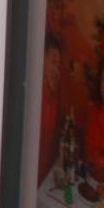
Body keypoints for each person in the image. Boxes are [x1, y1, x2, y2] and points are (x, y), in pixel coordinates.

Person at [36, 37, 65, 184]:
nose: (57, 70)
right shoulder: (35, 99)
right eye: (53, 62)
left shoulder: (53, 102)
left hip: (44, 181)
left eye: (59, 65)